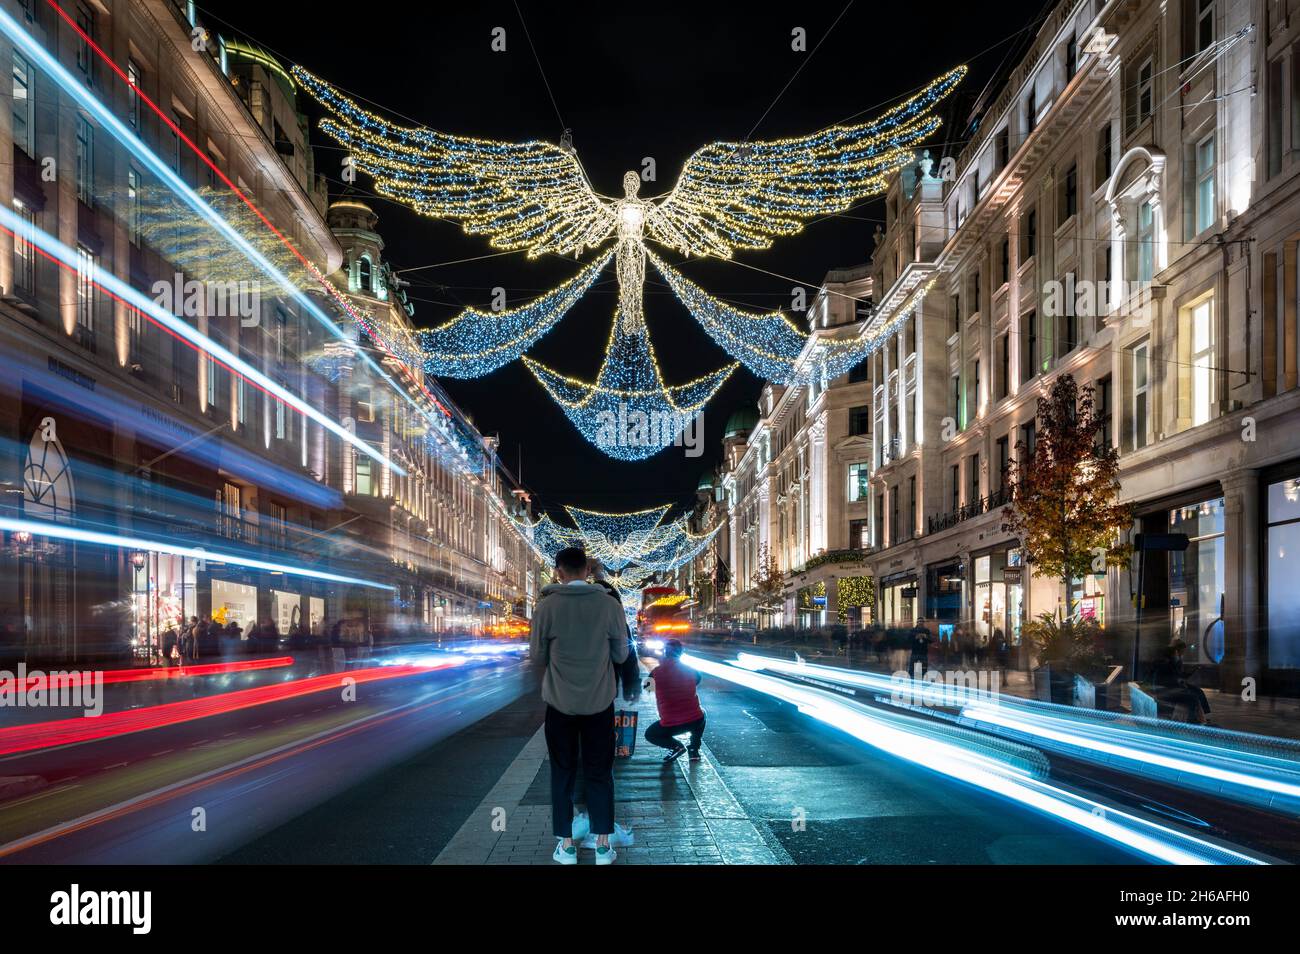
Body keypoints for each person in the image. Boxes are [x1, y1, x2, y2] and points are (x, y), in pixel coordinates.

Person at [530, 546, 629, 866]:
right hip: (600, 703)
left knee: (562, 773)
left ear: (558, 571)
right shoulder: (609, 605)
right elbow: (621, 655)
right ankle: (602, 846)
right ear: (587, 570)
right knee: (601, 773)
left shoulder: (546, 607)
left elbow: (537, 656)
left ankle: (567, 846)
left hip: (560, 704)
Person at [644, 640, 705, 762]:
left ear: (665, 654)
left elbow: (647, 688)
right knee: (702, 714)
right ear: (681, 653)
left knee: (650, 734)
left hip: (670, 724)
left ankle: (676, 746)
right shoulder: (692, 670)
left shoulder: (655, 672)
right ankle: (694, 751)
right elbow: (697, 681)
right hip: (694, 720)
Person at [1151, 640, 1212, 724]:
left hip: (1172, 686)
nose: (1183, 653)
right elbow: (1170, 678)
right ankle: (1193, 719)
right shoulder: (1166, 661)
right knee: (1192, 697)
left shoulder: (1176, 660)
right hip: (1165, 689)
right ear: (1176, 650)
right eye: (1182, 651)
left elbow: (1179, 675)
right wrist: (1182, 685)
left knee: (1198, 691)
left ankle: (1202, 717)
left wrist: (1191, 672)